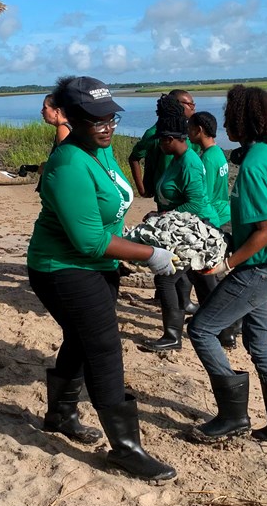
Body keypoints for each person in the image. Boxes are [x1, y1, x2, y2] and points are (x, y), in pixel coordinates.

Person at [27, 75, 177, 482]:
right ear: (71, 118)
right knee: (105, 348)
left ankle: (60, 414)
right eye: (97, 120)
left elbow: (112, 209)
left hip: (99, 265)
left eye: (111, 118)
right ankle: (126, 449)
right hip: (63, 268)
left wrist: (133, 241)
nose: (108, 126)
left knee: (81, 338)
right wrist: (152, 255)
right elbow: (90, 241)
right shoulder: (67, 163)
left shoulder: (101, 151)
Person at [186, 84, 267, 450]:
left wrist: (225, 262)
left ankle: (234, 416)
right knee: (258, 341)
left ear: (243, 120)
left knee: (202, 329)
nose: (225, 123)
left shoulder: (253, 165)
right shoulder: (264, 155)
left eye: (230, 115)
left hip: (263, 266)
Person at [140, 98, 219, 353]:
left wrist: (164, 216)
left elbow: (196, 203)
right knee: (196, 280)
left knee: (166, 279)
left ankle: (173, 336)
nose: (160, 145)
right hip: (182, 229)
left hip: (196, 229)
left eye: (162, 141)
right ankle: (224, 329)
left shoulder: (190, 164)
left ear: (171, 139)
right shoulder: (177, 159)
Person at [187, 111, 240, 349]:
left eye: (190, 129)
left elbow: (203, 195)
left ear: (199, 130)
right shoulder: (218, 153)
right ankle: (229, 320)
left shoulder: (207, 159)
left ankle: (224, 323)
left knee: (212, 274)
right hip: (224, 213)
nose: (188, 134)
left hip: (215, 218)